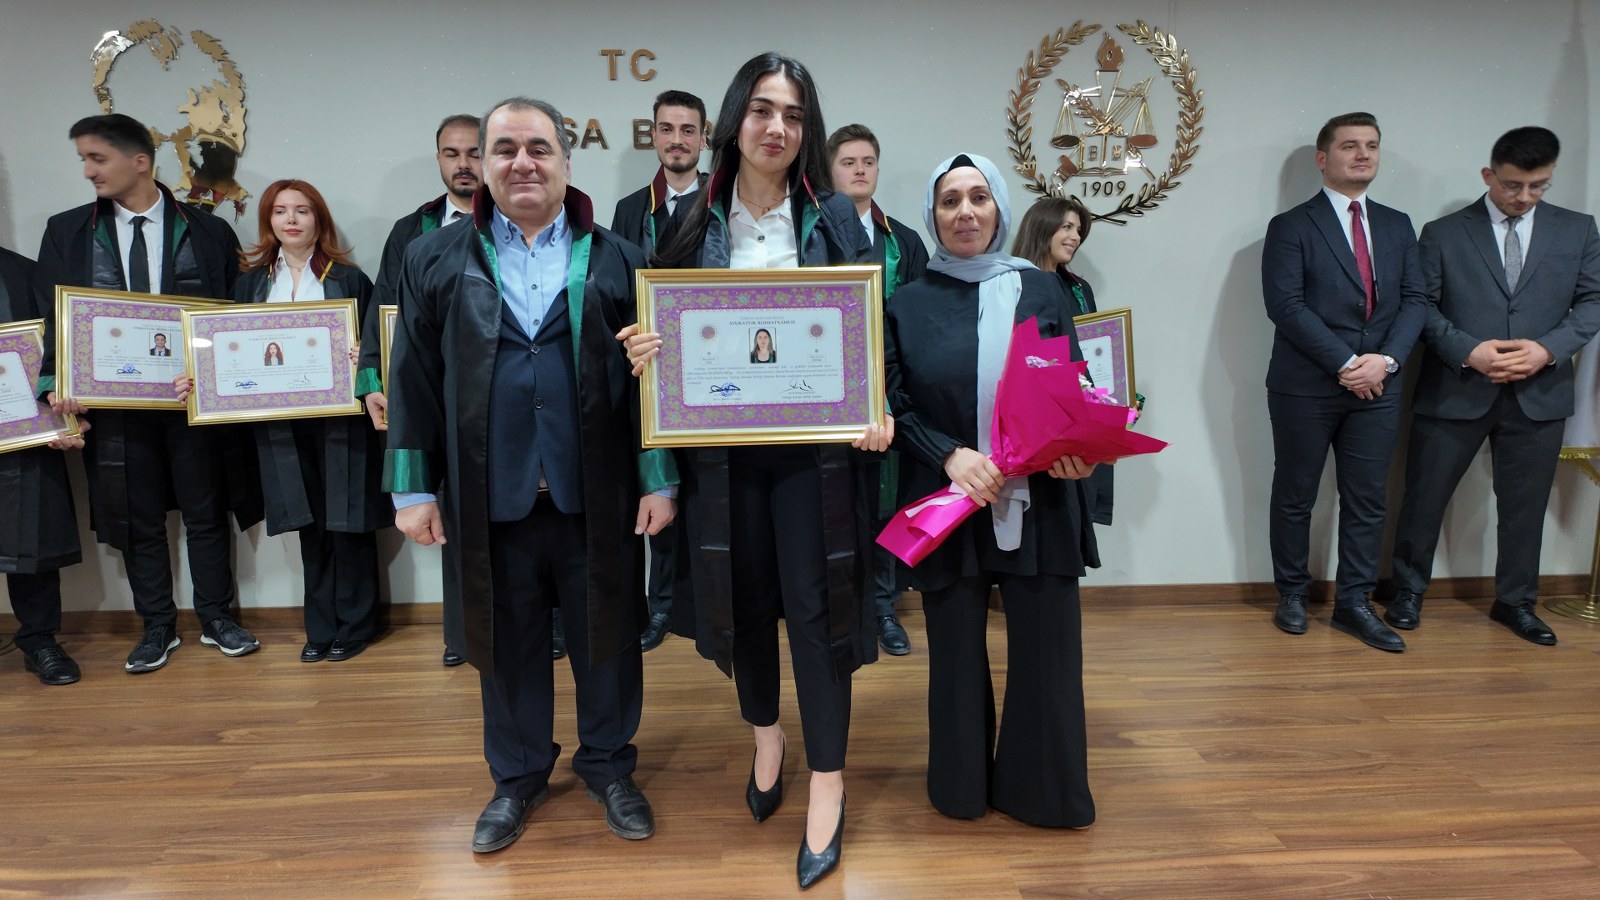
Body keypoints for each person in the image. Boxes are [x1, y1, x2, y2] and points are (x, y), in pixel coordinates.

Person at [383, 97, 676, 853]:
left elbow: (651, 385)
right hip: (489, 492)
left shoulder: (618, 258)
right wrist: (412, 490)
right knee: (504, 641)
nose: (523, 162)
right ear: (482, 162)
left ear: (566, 163)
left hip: (597, 491)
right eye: (506, 148)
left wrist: (658, 478)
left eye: (539, 148)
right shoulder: (433, 259)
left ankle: (609, 767)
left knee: (609, 635)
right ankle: (516, 778)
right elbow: (412, 378)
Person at [624, 51, 888, 890]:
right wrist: (644, 350)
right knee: (744, 604)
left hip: (818, 460)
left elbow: (875, 330)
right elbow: (656, 337)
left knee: (818, 610)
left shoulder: (835, 220)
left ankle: (829, 779)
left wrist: (878, 400)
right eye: (764, 110)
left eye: (795, 115)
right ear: (735, 119)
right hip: (723, 460)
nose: (778, 127)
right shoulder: (687, 224)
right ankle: (767, 735)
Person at [884, 152, 1100, 829]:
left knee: (1047, 653)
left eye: (978, 197)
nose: (965, 212)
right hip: (950, 497)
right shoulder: (906, 303)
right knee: (953, 653)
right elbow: (893, 403)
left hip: (1040, 497)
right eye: (949, 201)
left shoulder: (1041, 290)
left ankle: (1042, 793)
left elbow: (1075, 386)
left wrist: (1081, 452)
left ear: (1000, 208)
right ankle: (961, 788)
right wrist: (948, 455)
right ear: (932, 216)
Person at [39, 113, 261, 674]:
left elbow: (231, 318)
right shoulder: (67, 231)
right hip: (115, 407)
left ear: (140, 161)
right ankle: (157, 624)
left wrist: (214, 377)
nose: (88, 171)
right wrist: (57, 386)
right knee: (137, 516)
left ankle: (216, 617)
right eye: (84, 159)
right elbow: (53, 318)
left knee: (206, 511)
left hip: (190, 402)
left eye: (97, 158)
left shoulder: (208, 231)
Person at [1388, 126, 1600, 645]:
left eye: (1538, 186)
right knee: (1424, 498)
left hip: (1540, 393)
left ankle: (1516, 602)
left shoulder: (1578, 230)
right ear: (1488, 175)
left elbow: (1594, 301)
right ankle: (1407, 592)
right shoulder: (1442, 233)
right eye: (1512, 185)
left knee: (1525, 508)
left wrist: (1547, 349)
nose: (1524, 197)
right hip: (1455, 388)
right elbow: (1420, 305)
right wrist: (1468, 350)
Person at [180, 179, 388, 663]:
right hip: (279, 424)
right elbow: (227, 350)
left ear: (319, 219)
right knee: (308, 523)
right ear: (268, 221)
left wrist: (363, 355)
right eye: (279, 211)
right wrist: (201, 377)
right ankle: (321, 627)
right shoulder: (251, 284)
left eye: (302, 210)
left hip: (341, 420)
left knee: (348, 520)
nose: (291, 219)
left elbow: (377, 348)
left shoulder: (349, 279)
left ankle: (357, 624)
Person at [1260, 112, 1426, 653]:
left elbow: (1416, 300)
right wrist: (1348, 363)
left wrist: (1386, 361)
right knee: (1295, 495)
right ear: (1322, 158)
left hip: (1379, 387)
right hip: (1305, 385)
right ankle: (1292, 593)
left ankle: (1354, 603)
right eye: (1350, 145)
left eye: (1372, 145)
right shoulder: (1290, 225)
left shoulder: (1398, 224)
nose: (1363, 154)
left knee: (1368, 499)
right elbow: (1286, 306)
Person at [354, 114, 500, 668]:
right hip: (435, 394)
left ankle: (547, 625)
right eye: (451, 153)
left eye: (473, 152)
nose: (464, 164)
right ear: (439, 159)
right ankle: (465, 633)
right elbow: (384, 310)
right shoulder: (411, 231)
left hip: (499, 393)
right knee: (455, 517)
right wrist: (374, 382)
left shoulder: (516, 220)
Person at [826, 122, 929, 657]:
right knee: (834, 502)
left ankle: (884, 605)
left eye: (868, 161)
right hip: (826, 388)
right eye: (849, 162)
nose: (860, 170)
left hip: (889, 388)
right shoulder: (812, 234)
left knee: (887, 501)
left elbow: (919, 321)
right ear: (830, 170)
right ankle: (836, 607)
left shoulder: (903, 241)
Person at [611, 90, 707, 654]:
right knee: (659, 487)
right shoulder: (630, 210)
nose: (677, 140)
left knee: (711, 492)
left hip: (714, 368)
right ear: (654, 136)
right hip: (652, 369)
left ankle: (709, 605)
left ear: (703, 137)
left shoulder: (724, 200)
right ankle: (663, 605)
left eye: (687, 130)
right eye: (666, 129)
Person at [2, 244, 86, 685]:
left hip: (22, 437)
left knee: (29, 535)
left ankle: (38, 639)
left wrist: (63, 418)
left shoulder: (25, 273)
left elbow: (57, 355)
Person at [1013, 196, 1123, 528]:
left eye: (1078, 231)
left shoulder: (1078, 289)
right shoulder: (1011, 282)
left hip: (1079, 420)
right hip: (1033, 426)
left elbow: (1091, 353)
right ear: (1042, 227)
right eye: (1066, 227)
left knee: (1076, 520)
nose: (1075, 237)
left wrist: (1115, 402)